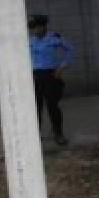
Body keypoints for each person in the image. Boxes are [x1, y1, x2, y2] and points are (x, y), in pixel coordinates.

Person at [29, 15, 73, 146]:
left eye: (36, 27)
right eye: (32, 28)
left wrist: (63, 66)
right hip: (34, 76)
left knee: (53, 106)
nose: (33, 31)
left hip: (50, 75)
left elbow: (70, 49)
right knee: (35, 108)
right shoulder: (29, 40)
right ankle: (35, 135)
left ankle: (58, 133)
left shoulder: (54, 38)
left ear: (43, 26)